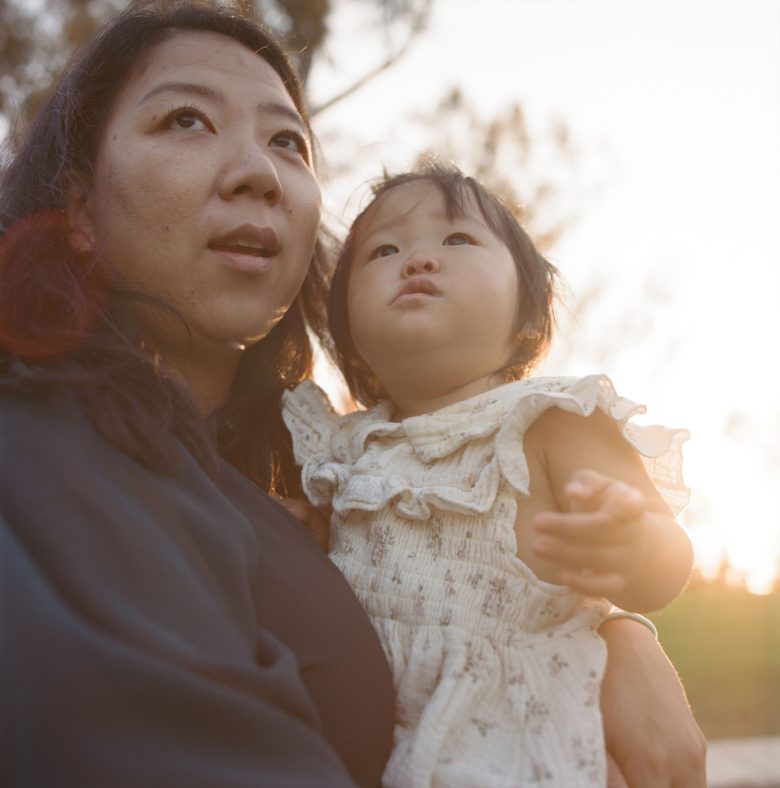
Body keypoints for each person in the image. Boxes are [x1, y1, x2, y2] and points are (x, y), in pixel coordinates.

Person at [0, 2, 705, 786]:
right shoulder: (42, 450)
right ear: (77, 210)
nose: (259, 174)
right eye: (187, 120)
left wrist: (614, 632)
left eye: (287, 141)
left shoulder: (280, 476)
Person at [282, 161, 695, 787]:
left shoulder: (551, 421)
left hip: (526, 737)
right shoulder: (342, 452)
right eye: (384, 250)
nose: (417, 260)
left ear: (527, 315)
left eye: (457, 240)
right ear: (349, 335)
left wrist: (632, 542)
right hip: (377, 741)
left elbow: (664, 563)